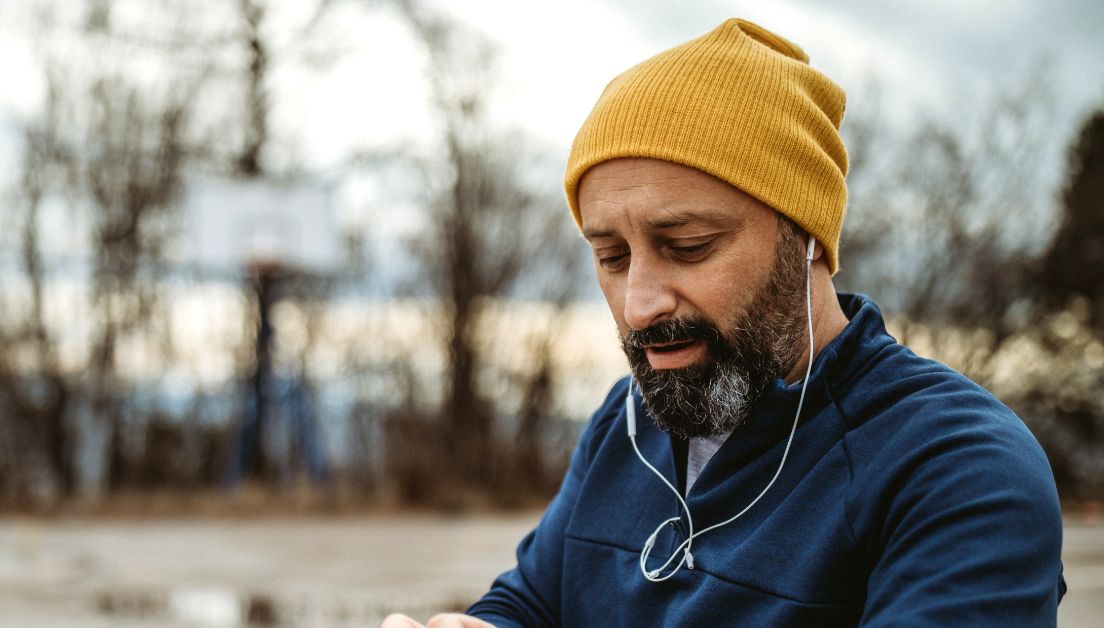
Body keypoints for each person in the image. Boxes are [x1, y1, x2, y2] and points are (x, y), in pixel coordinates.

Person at [382, 17, 1065, 628]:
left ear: (806, 242)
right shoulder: (627, 422)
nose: (639, 305)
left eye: (688, 247)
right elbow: (535, 599)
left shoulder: (957, 468)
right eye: (612, 257)